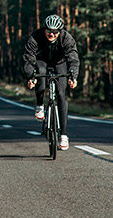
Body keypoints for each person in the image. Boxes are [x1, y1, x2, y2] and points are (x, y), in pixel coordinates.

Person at [23, 14, 79, 150]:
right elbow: (28, 59)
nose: (51, 34)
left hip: (60, 63)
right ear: (44, 29)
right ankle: (39, 105)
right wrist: (31, 77)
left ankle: (64, 135)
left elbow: (73, 58)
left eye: (55, 32)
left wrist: (73, 77)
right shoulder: (35, 37)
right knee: (40, 73)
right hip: (41, 61)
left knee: (61, 94)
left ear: (59, 32)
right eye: (49, 31)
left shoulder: (66, 38)